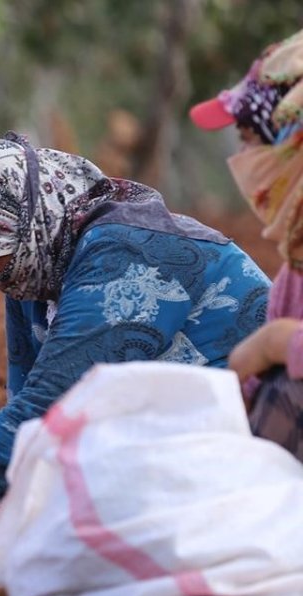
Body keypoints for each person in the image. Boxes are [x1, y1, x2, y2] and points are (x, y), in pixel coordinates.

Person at [0, 135, 271, 499]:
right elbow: (26, 412)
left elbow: (55, 410)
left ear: (30, 225)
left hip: (258, 439)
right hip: (167, 438)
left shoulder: (128, 251)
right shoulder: (36, 269)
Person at [191, 29, 303, 460]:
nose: (240, 159)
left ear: (291, 145)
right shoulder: (296, 258)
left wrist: (276, 343)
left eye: (249, 138)